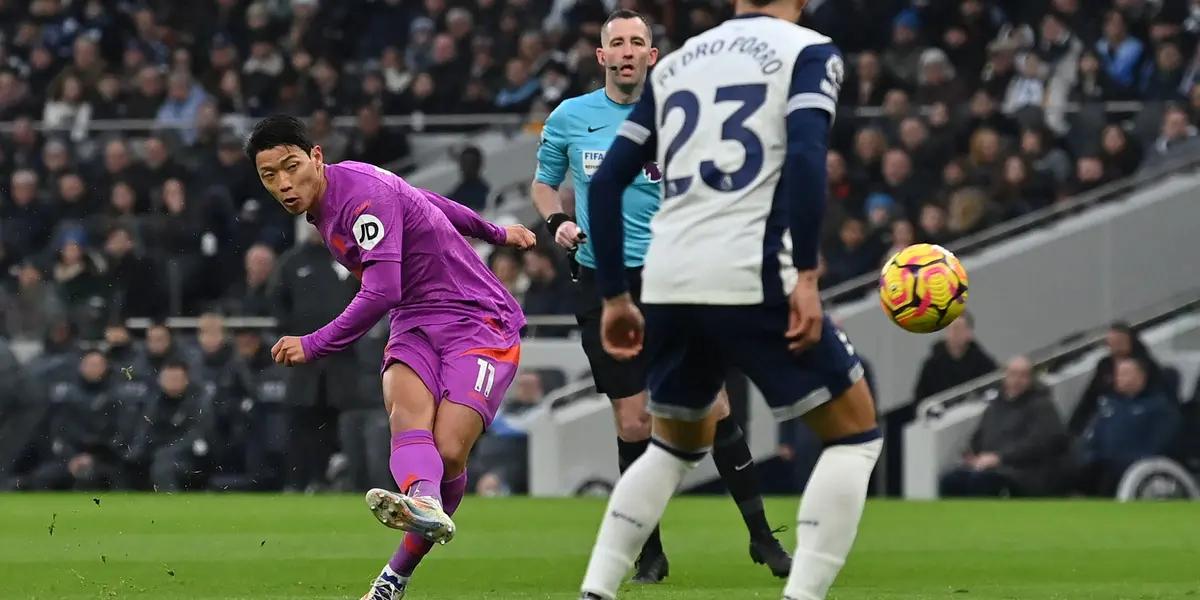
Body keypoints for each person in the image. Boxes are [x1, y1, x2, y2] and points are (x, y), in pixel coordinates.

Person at [579, 2, 881, 599]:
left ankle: (595, 591)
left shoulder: (680, 62)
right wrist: (809, 275)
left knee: (671, 447)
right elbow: (803, 157)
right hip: (749, 267)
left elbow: (607, 180)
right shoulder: (808, 52)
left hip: (667, 276)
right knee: (855, 433)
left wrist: (615, 293)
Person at [531, 8, 791, 582]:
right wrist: (558, 224)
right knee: (634, 424)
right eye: (616, 42)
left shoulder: (683, 113)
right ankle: (649, 550)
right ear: (601, 56)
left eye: (637, 43)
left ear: (653, 56)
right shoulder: (572, 117)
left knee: (714, 406)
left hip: (676, 277)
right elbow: (544, 183)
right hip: (604, 281)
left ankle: (761, 537)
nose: (626, 51)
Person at [244, 115, 536, 600]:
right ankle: (419, 512)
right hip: (415, 322)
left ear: (316, 156)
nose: (284, 184)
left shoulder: (358, 199)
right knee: (405, 417)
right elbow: (428, 203)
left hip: (477, 320)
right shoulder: (337, 197)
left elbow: (381, 290)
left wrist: (314, 343)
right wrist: (498, 234)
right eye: (269, 175)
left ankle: (399, 566)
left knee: (447, 452)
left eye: (291, 166)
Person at [939, 356, 1069, 497]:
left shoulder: (1042, 406)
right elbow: (978, 437)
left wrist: (999, 458)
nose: (1017, 380)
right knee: (951, 479)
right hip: (989, 466)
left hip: (1022, 470)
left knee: (981, 481)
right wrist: (971, 454)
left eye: (1023, 375)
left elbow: (1040, 443)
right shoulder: (995, 406)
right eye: (1013, 374)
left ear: (1030, 378)